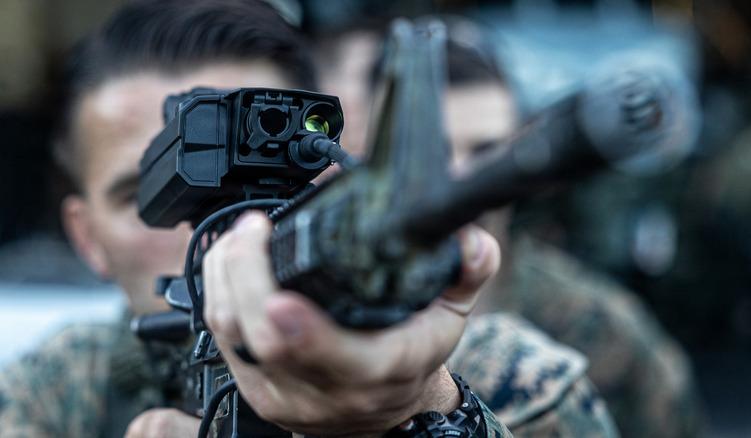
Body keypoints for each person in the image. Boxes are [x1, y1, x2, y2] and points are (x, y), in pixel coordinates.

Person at [0, 1, 617, 437]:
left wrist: (419, 418)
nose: (234, 241)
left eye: (268, 194)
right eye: (145, 200)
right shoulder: (51, 395)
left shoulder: (523, 386)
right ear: (87, 238)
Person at [316, 16, 706, 438]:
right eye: (434, 151)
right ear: (363, 157)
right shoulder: (308, 325)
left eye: (486, 151)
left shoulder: (601, 330)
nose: (462, 174)